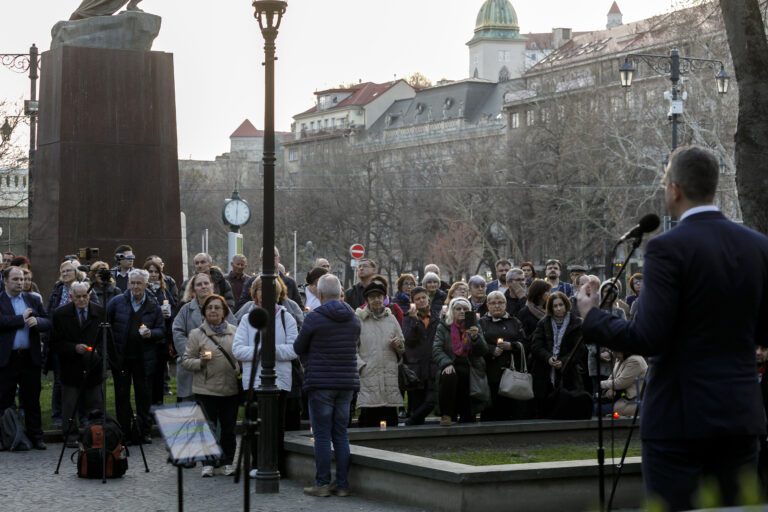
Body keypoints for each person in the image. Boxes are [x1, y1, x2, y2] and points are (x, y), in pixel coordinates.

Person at [577, 145, 768, 511]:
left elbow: (649, 337)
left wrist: (592, 316)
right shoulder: (758, 246)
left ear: (675, 189)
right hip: (740, 416)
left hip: (679, 421)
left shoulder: (667, 248)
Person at [293, 274, 360, 497]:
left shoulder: (314, 318)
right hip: (347, 382)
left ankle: (322, 483)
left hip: (321, 382)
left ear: (319, 294)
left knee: (322, 435)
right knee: (340, 434)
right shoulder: (353, 318)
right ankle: (342, 485)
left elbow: (298, 346)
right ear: (340, 292)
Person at [233, 281, 298, 476]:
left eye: (270, 289)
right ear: (255, 293)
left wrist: (272, 351)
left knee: (276, 424)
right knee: (255, 423)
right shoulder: (246, 319)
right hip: (254, 380)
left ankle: (277, 464)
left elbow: (294, 349)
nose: (265, 293)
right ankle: (256, 463)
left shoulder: (287, 318)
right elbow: (238, 349)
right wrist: (261, 351)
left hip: (280, 380)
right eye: (261, 289)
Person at [182, 294, 240, 477]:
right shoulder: (196, 334)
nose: (213, 311)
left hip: (230, 388)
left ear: (224, 312)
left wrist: (238, 367)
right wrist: (200, 362)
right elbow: (185, 361)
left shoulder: (235, 332)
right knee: (207, 428)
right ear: (204, 312)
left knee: (229, 429)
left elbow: (242, 356)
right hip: (205, 388)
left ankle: (227, 462)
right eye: (210, 308)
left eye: (217, 307)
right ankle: (207, 462)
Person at [107, 269, 165, 443]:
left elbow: (162, 330)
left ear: (146, 285)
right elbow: (106, 325)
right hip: (122, 357)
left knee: (144, 397)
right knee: (122, 396)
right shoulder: (117, 302)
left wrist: (151, 333)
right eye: (132, 283)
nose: (135, 286)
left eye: (139, 283)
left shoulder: (153, 305)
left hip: (144, 359)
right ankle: (123, 432)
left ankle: (142, 432)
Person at [0, 266, 51, 450]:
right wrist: (20, 319)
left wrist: (37, 322)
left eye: (22, 279)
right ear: (5, 281)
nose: (20, 283)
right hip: (7, 358)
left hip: (29, 358)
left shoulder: (33, 299)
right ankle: (4, 437)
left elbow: (47, 321)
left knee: (31, 399)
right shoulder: (1, 299)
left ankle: (36, 436)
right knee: (4, 400)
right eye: (15, 279)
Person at [51, 282, 106, 446]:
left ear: (89, 295)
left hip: (93, 365)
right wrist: (74, 348)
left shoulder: (100, 312)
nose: (82, 299)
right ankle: (70, 436)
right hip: (71, 365)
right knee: (69, 403)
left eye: (85, 296)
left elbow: (106, 339)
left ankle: (96, 435)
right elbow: (55, 343)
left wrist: (98, 353)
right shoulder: (60, 314)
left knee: (95, 403)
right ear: (71, 297)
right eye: (78, 297)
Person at [174, 273, 236, 402]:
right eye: (199, 284)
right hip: (192, 368)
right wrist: (193, 354)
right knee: (190, 410)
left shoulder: (224, 308)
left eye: (206, 283)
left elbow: (233, 330)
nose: (203, 287)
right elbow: (177, 332)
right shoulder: (185, 310)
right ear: (193, 289)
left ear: (212, 286)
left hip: (218, 370)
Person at [432, 297, 489, 426]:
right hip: (451, 363)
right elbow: (436, 349)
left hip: (470, 364)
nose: (462, 311)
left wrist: (475, 337)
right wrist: (446, 363)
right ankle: (447, 415)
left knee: (465, 375)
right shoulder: (443, 326)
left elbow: (483, 350)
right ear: (452, 311)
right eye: (458, 309)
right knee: (449, 375)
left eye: (465, 309)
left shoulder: (475, 326)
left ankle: (467, 415)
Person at [355, 282, 404, 428]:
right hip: (368, 373)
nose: (376, 300)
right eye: (372, 297)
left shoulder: (391, 319)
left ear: (384, 298)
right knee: (369, 417)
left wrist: (398, 345)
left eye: (379, 296)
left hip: (389, 372)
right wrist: (361, 366)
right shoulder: (358, 319)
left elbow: (402, 345)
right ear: (367, 300)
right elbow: (352, 348)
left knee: (390, 417)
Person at [531, 291, 584, 418]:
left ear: (566, 305)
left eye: (561, 305)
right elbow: (536, 346)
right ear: (551, 308)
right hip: (546, 371)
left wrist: (564, 361)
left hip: (569, 370)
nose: (558, 308)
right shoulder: (543, 323)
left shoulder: (576, 323)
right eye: (555, 306)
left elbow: (579, 349)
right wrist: (548, 358)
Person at [479, 290, 529, 421]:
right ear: (488, 305)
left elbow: (525, 343)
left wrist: (512, 346)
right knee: (492, 411)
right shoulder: (481, 323)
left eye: (500, 302)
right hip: (490, 371)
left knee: (511, 410)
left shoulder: (514, 321)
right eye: (493, 303)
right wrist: (490, 350)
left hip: (511, 371)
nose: (497, 306)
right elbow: (476, 344)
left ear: (505, 304)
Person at [401, 286, 440, 425]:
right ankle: (413, 424)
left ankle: (410, 421)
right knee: (416, 401)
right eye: (418, 299)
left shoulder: (437, 317)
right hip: (416, 366)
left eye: (423, 297)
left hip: (432, 365)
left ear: (428, 298)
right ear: (413, 302)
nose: (421, 301)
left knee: (431, 399)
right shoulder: (408, 318)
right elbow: (408, 339)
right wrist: (415, 321)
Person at [144, 259, 178, 405]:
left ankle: (158, 405)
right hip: (146, 338)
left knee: (159, 375)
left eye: (156, 272)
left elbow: (173, 308)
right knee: (147, 377)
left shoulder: (163, 291)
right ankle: (146, 407)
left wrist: (168, 314)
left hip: (161, 339)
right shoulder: (143, 290)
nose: (153, 275)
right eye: (150, 272)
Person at [236, 247, 304, 310]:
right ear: (260, 260)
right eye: (266, 256)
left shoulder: (290, 283)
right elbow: (242, 306)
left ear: (279, 258)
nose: (270, 258)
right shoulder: (251, 282)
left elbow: (299, 308)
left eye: (274, 256)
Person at [597, 350, 647, 417]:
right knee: (593, 402)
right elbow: (612, 378)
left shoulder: (635, 360)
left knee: (596, 408)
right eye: (612, 351)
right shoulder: (620, 358)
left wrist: (601, 384)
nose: (614, 355)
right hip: (619, 396)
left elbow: (620, 383)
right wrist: (609, 390)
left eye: (616, 351)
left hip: (630, 401)